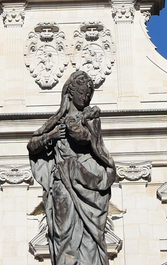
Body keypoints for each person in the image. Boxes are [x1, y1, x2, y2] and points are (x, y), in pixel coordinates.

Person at [28, 71, 115, 264]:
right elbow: (32, 145)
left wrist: (76, 122)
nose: (85, 98)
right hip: (62, 181)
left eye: (88, 95)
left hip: (87, 182)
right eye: (81, 93)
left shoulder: (91, 118)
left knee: (91, 237)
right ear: (70, 92)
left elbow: (85, 138)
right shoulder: (56, 121)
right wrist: (50, 136)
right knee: (63, 233)